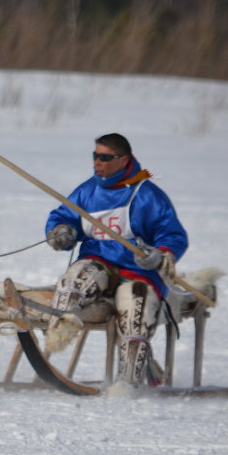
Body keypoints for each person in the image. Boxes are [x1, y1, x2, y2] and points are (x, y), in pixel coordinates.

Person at [43, 133, 188, 386]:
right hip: (98, 262)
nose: (98, 162)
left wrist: (161, 253)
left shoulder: (148, 195)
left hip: (137, 271)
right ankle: (56, 340)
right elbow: (63, 216)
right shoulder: (87, 191)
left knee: (136, 313)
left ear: (124, 160)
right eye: (95, 156)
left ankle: (128, 384)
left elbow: (172, 233)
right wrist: (61, 232)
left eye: (105, 157)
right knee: (75, 278)